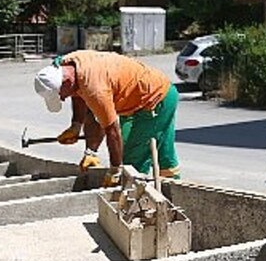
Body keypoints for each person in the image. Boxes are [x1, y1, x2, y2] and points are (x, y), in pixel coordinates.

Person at [34, 50, 180, 186]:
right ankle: (173, 190)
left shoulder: (96, 90)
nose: (63, 99)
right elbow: (78, 94)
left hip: (154, 100)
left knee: (132, 164)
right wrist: (76, 126)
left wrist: (115, 170)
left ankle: (136, 201)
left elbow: (111, 131)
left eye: (61, 95)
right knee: (163, 154)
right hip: (139, 98)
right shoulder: (66, 64)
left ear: (66, 82)